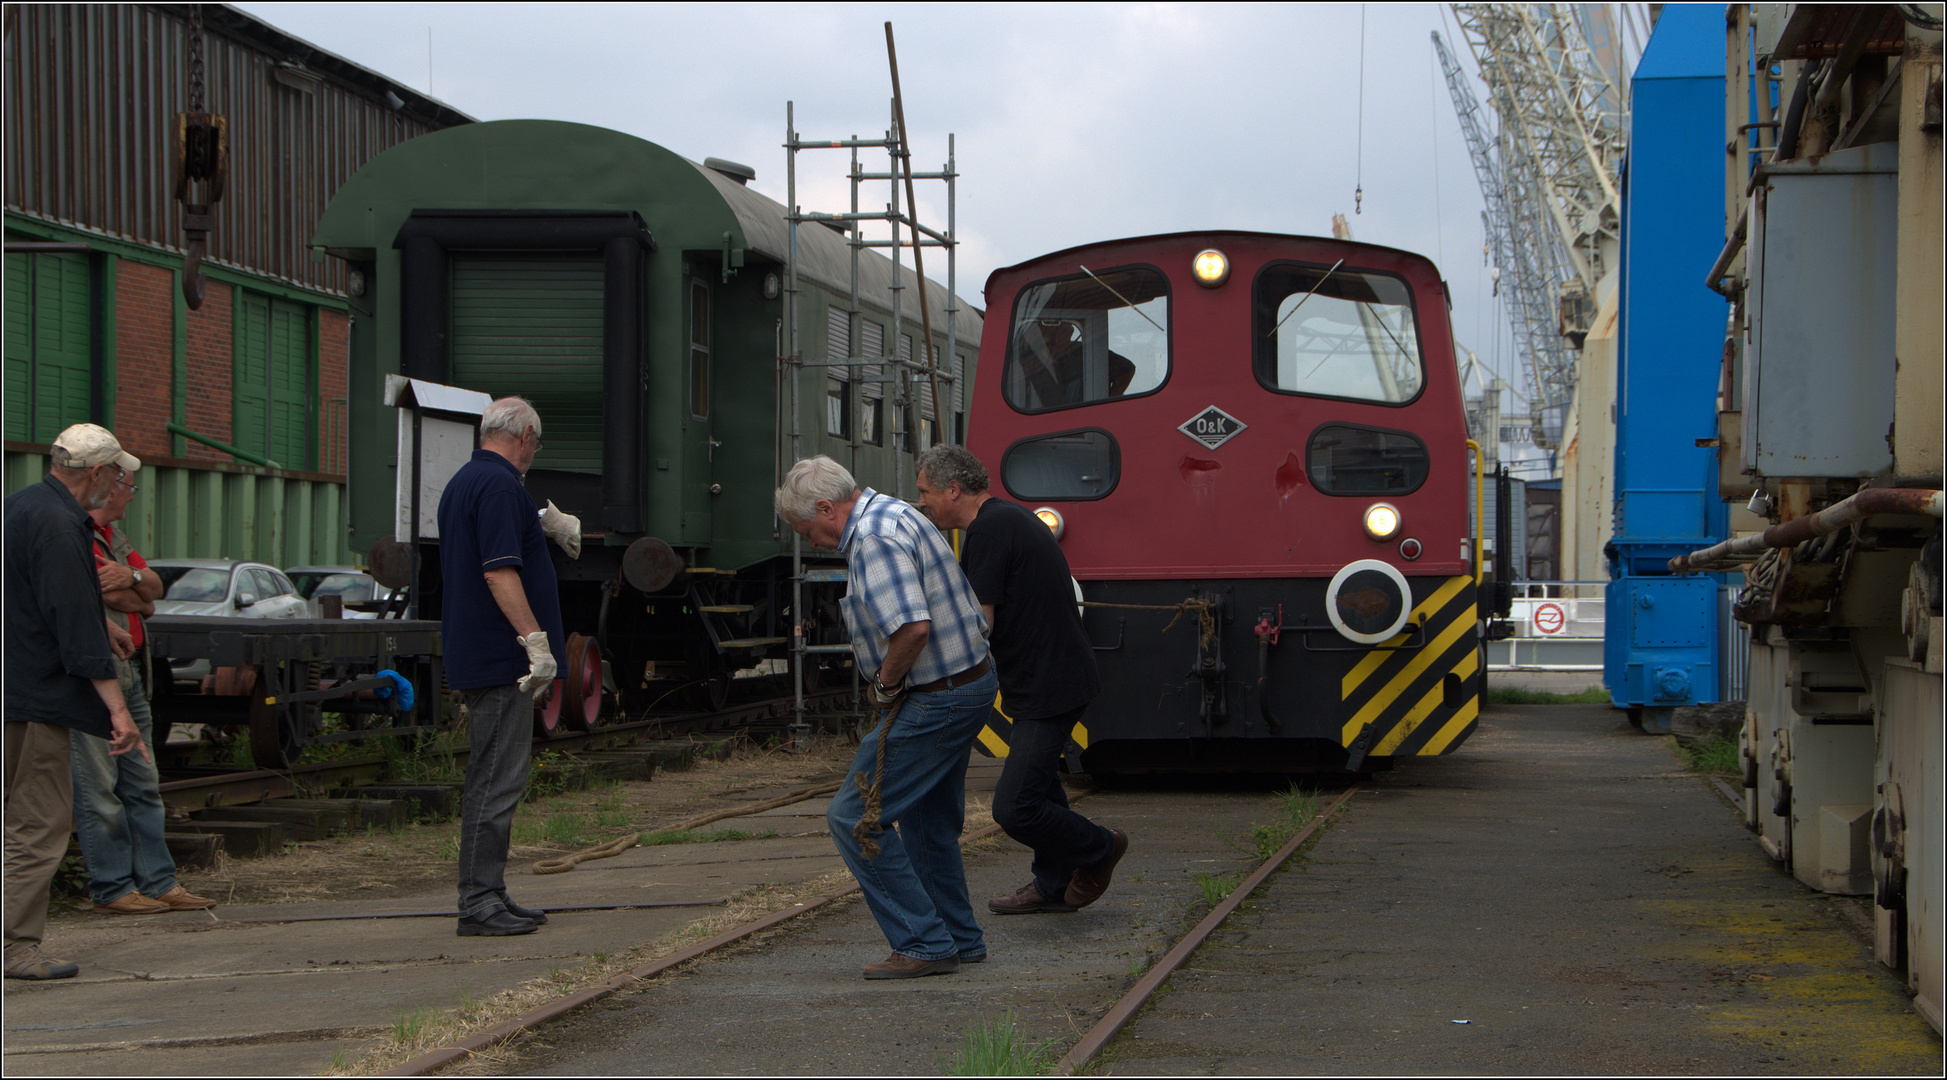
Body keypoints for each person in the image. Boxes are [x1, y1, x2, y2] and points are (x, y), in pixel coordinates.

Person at [775, 455, 997, 979]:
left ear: (827, 508)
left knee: (854, 817)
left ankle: (923, 942)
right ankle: (958, 938)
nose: (810, 541)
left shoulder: (872, 539)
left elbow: (913, 629)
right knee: (924, 819)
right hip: (967, 685)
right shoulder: (894, 514)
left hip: (937, 696)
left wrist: (885, 685)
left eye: (807, 529)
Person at [912, 445, 1127, 916]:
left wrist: (921, 657)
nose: (922, 503)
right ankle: (1051, 884)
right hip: (1049, 679)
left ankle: (1099, 849)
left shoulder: (988, 532)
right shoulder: (1006, 519)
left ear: (953, 489)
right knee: (1043, 789)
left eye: (926, 492)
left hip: (1049, 685)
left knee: (1014, 808)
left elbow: (978, 625)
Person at [5, 424, 150, 981]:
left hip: (9, 684)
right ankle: (15, 945)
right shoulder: (63, 526)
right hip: (38, 696)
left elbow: (38, 598)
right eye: (116, 474)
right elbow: (68, 620)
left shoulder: (18, 508)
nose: (116, 483)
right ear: (96, 473)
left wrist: (100, 625)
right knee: (36, 824)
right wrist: (116, 709)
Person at [436, 397, 569, 938]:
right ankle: (478, 900)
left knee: (495, 778)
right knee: (496, 780)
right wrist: (534, 641)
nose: (533, 453)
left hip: (485, 653)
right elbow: (498, 572)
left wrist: (541, 524)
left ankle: (489, 891)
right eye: (535, 445)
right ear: (525, 438)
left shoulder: (469, 480)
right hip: (500, 659)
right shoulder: (497, 486)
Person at [75, 465, 216, 915]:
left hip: (131, 672)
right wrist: (135, 589)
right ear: (106, 487)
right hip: (99, 675)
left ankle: (158, 881)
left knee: (143, 782)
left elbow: (152, 593)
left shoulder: (111, 535)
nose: (132, 495)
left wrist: (135, 582)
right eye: (128, 487)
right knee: (100, 785)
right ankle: (112, 886)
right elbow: (102, 596)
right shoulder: (76, 532)